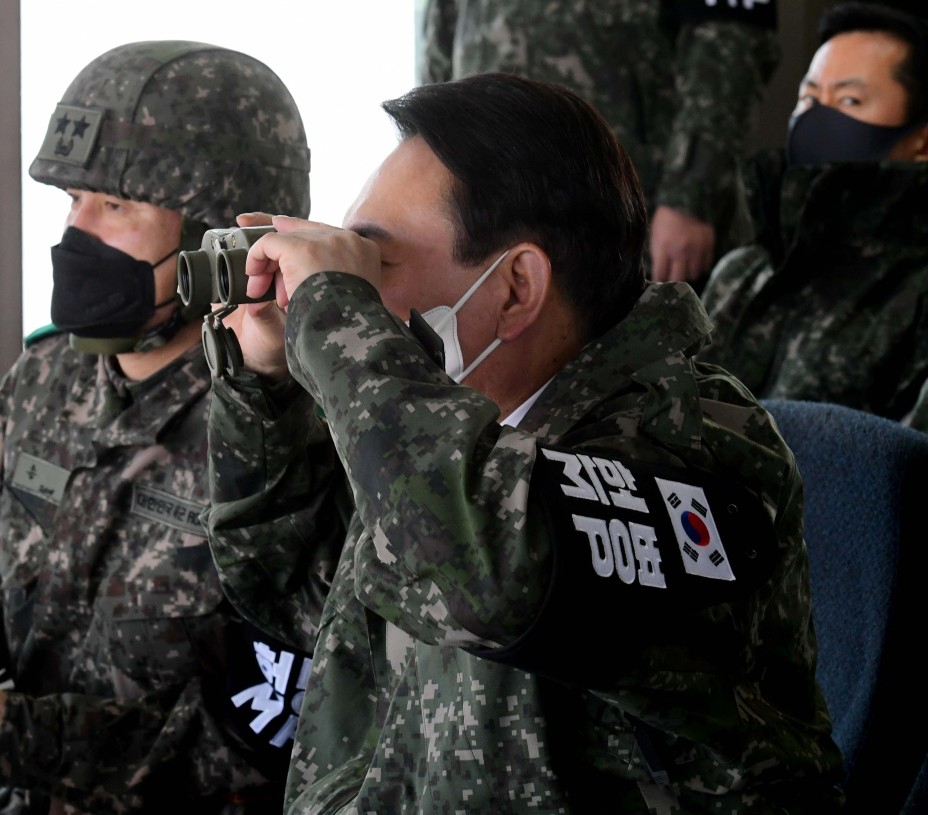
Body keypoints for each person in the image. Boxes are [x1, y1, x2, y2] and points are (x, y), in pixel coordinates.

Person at [202, 72, 843, 812]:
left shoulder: (693, 446)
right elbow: (294, 582)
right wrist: (267, 385)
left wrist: (337, 326)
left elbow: (494, 570)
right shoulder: (458, 428)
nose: (355, 301)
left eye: (374, 264)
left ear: (514, 288)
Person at [0, 40, 312, 815]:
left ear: (219, 239)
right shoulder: (43, 381)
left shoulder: (286, 431)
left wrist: (18, 737)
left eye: (115, 205)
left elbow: (280, 730)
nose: (76, 234)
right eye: (73, 198)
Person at [417, 0, 780, 285]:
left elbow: (729, 45)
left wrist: (692, 198)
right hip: (494, 213)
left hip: (636, 218)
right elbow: (440, 56)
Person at [699, 2, 928, 432]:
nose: (817, 118)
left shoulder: (915, 292)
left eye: (849, 100)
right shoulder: (741, 274)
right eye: (808, 98)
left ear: (921, 141)